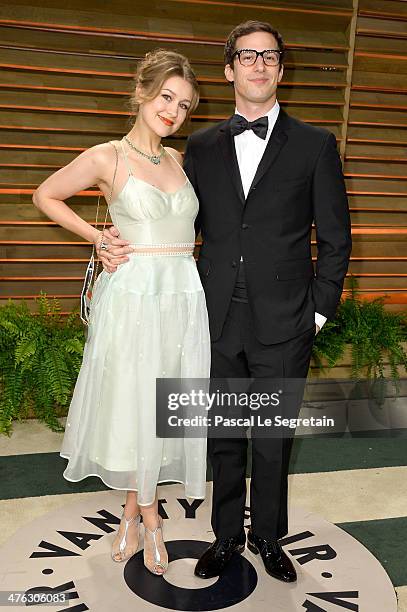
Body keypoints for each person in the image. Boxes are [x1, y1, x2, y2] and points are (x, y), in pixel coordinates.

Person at [99, 20, 352, 584]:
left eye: (269, 55)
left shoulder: (316, 144)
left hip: (286, 319)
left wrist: (317, 311)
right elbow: (174, 219)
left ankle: (267, 535)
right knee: (224, 435)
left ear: (281, 68)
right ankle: (225, 536)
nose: (259, 64)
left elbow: (336, 238)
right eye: (247, 55)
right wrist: (115, 238)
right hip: (211, 316)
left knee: (272, 438)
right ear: (230, 69)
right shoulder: (202, 145)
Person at [32, 49, 210, 576]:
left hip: (183, 296)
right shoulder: (106, 157)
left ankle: (130, 514)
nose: (173, 112)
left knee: (162, 410)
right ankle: (152, 518)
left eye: (183, 105)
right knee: (137, 407)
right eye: (165, 98)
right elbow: (46, 195)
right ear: (141, 92)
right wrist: (96, 237)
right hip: (134, 300)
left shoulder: (178, 161)